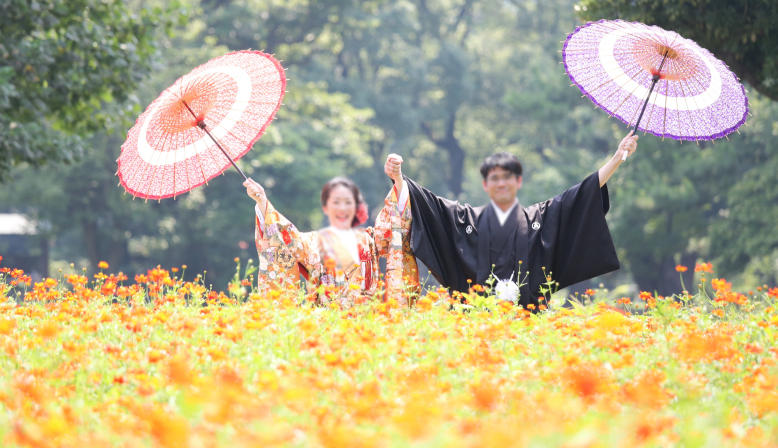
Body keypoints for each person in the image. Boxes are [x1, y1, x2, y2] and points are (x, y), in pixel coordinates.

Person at [384, 132, 639, 310]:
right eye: (495, 178)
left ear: (518, 182)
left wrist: (617, 157)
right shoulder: (465, 220)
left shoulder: (540, 218)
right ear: (485, 184)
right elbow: (428, 205)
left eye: (508, 177)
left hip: (527, 329)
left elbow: (581, 195)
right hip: (475, 328)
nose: (502, 183)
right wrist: (399, 178)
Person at [244, 156, 419, 307]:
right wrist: (262, 201)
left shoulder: (371, 239)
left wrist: (397, 179)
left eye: (348, 202)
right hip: (327, 324)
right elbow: (283, 238)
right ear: (326, 207)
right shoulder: (313, 241)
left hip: (367, 323)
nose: (342, 208)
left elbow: (397, 226)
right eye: (336, 202)